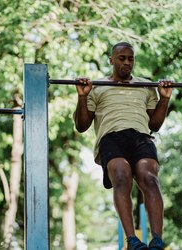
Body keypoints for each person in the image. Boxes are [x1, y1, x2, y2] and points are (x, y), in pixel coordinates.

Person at [73, 42, 172, 250]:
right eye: (122, 58)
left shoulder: (144, 85)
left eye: (130, 58)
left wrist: (164, 100)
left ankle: (157, 241)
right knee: (121, 175)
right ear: (111, 60)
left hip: (141, 137)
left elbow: (154, 124)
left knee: (149, 178)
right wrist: (82, 96)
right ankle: (132, 240)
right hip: (112, 138)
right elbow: (82, 125)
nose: (127, 62)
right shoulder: (97, 87)